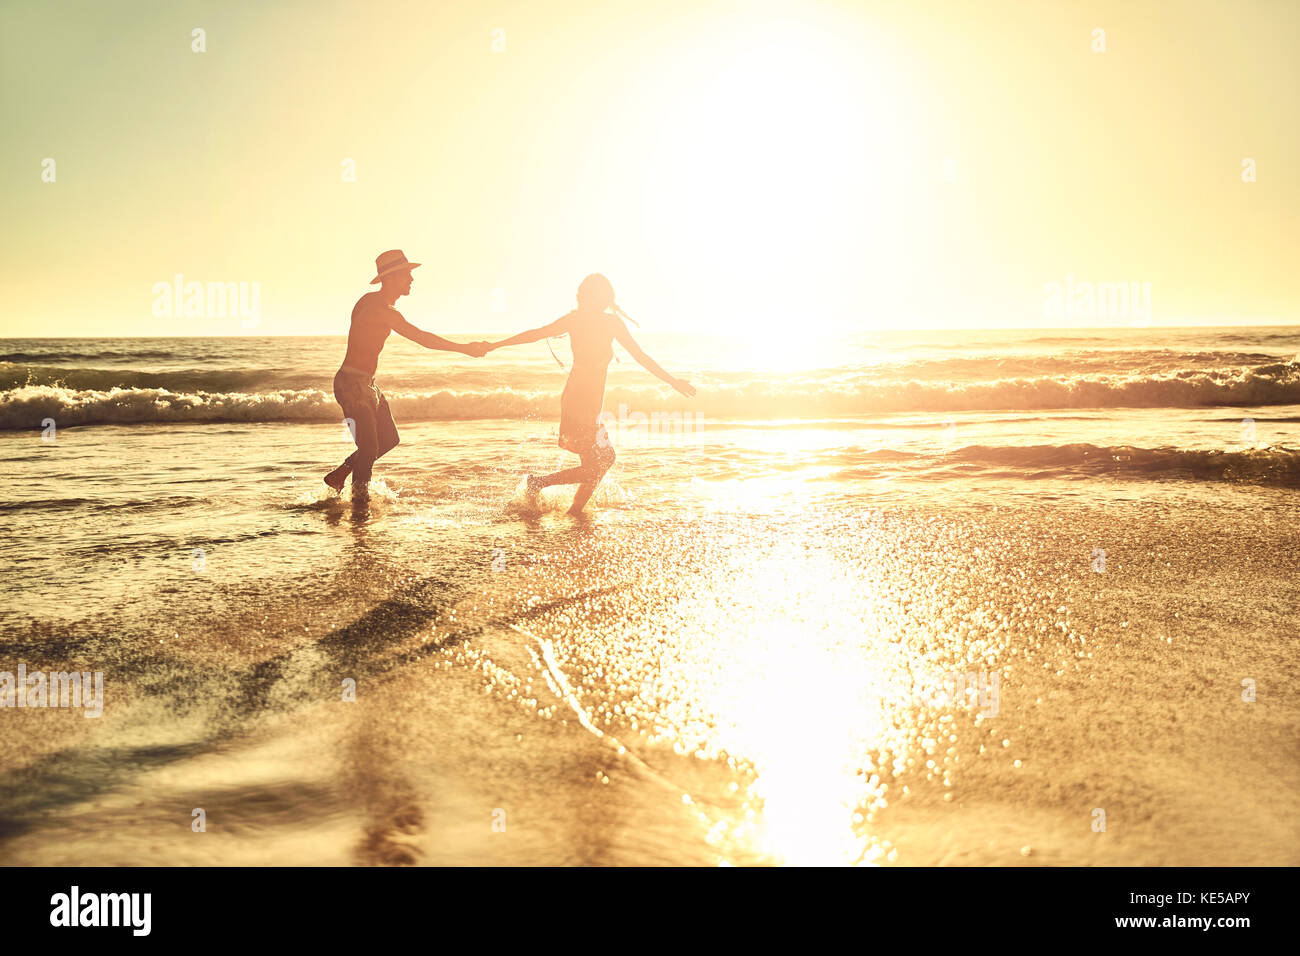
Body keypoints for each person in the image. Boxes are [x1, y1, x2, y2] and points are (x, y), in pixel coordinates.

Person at [486, 274, 695, 515]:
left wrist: (672, 381)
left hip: (592, 404)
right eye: (590, 295)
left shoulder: (611, 323)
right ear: (584, 296)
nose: (595, 300)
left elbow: (640, 356)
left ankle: (573, 511)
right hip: (578, 401)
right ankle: (540, 484)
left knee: (598, 463)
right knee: (602, 461)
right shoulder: (575, 321)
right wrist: (495, 345)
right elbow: (536, 334)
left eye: (600, 296)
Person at [325, 249, 489, 498]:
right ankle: (360, 507)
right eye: (407, 275)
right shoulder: (380, 309)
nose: (412, 280)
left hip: (367, 385)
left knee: (389, 439)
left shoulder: (375, 304)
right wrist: (464, 349)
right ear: (390, 278)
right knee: (368, 449)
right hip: (352, 385)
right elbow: (423, 338)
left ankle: (341, 474)